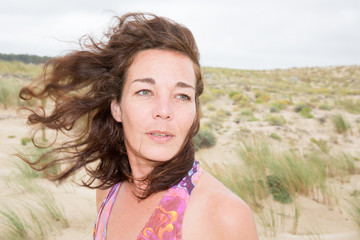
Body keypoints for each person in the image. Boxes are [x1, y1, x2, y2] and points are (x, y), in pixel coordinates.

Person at [20, 12, 258, 240]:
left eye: (182, 95)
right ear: (117, 107)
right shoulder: (108, 192)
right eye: (145, 91)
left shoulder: (223, 215)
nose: (164, 111)